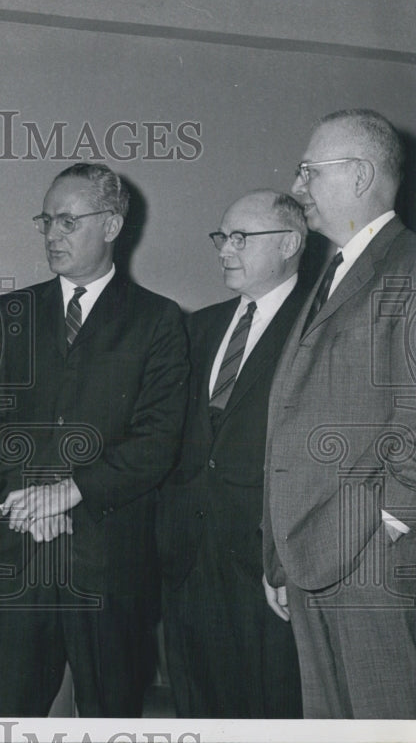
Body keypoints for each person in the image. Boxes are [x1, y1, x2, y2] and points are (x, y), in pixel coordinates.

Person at [0, 162, 188, 717]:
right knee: (6, 713)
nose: (52, 234)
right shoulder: (12, 312)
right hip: (21, 553)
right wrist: (36, 498)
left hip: (109, 564)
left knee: (109, 715)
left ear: (112, 225)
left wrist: (70, 492)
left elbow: (157, 440)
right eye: (46, 221)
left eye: (68, 222)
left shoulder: (158, 321)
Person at [262, 109, 416, 718]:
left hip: (370, 561)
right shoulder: (332, 272)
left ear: (359, 175)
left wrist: (386, 525)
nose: (296, 186)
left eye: (309, 171)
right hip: (312, 555)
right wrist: (281, 555)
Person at [156, 190, 307, 718]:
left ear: (289, 243)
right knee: (195, 708)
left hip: (264, 566)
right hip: (187, 560)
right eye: (222, 237)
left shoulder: (316, 325)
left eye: (241, 238)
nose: (224, 250)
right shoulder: (198, 326)